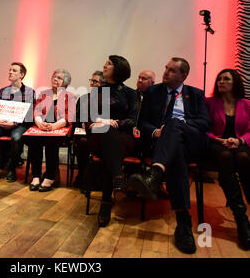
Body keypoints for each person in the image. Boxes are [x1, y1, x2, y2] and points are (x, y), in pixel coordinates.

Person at [128, 57, 210, 254]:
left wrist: (180, 126)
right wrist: (156, 131)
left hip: (190, 143)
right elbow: (142, 122)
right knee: (176, 157)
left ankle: (154, 174)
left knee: (175, 124)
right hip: (159, 144)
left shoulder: (195, 94)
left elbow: (205, 123)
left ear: (183, 75)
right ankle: (183, 224)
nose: (165, 72)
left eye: (172, 70)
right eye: (166, 68)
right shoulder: (153, 92)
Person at [206, 69, 250, 250]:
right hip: (216, 144)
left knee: (242, 157)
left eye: (226, 79)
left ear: (235, 83)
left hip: (239, 145)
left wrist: (239, 140)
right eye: (219, 79)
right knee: (225, 157)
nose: (221, 82)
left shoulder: (247, 104)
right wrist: (218, 139)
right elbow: (203, 128)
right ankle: (242, 220)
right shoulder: (209, 103)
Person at [85, 55, 139, 227]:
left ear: (119, 68)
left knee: (110, 148)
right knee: (105, 132)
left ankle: (106, 203)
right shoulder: (97, 92)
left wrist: (111, 123)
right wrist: (104, 123)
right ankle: (118, 177)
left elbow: (133, 120)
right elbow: (88, 120)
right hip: (98, 137)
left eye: (109, 63)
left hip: (123, 139)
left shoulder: (131, 93)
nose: (104, 65)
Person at [27, 69, 76, 192]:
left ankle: (50, 176)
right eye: (54, 76)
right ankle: (36, 176)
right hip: (42, 127)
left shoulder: (70, 96)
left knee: (51, 140)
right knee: (33, 139)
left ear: (65, 83)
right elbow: (37, 111)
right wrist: (39, 122)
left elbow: (69, 116)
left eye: (59, 78)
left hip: (60, 128)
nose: (55, 79)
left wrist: (54, 126)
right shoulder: (44, 93)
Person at [73, 70, 106, 188]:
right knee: (82, 142)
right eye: (91, 81)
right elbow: (76, 118)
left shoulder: (108, 100)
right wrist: (81, 124)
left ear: (103, 84)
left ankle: (94, 178)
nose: (92, 83)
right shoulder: (83, 99)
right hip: (83, 132)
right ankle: (82, 175)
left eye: (95, 81)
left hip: (99, 132)